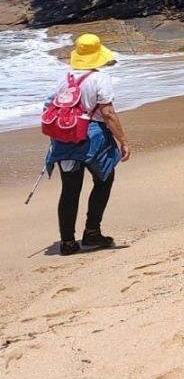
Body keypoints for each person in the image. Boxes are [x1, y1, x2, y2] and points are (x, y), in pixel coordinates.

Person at [43, 34, 130, 256]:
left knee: (70, 190)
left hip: (64, 139)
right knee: (104, 179)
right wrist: (123, 141)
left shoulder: (64, 79)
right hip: (93, 139)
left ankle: (67, 242)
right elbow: (108, 113)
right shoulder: (100, 79)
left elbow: (49, 105)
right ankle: (92, 232)